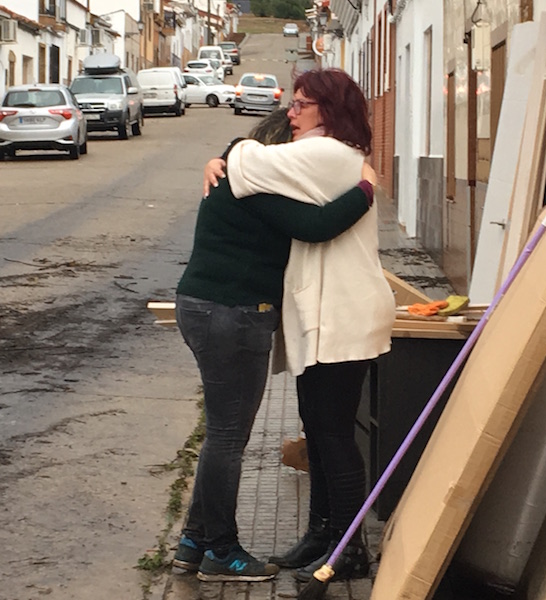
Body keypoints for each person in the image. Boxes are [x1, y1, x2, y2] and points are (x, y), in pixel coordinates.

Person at [203, 68, 396, 582]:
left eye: (302, 104)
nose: (290, 112)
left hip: (344, 314)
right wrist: (225, 156)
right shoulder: (329, 156)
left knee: (333, 435)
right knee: (320, 429)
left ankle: (349, 547)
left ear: (328, 112)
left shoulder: (329, 153)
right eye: (292, 102)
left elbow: (248, 161)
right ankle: (322, 532)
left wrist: (227, 155)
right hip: (329, 314)